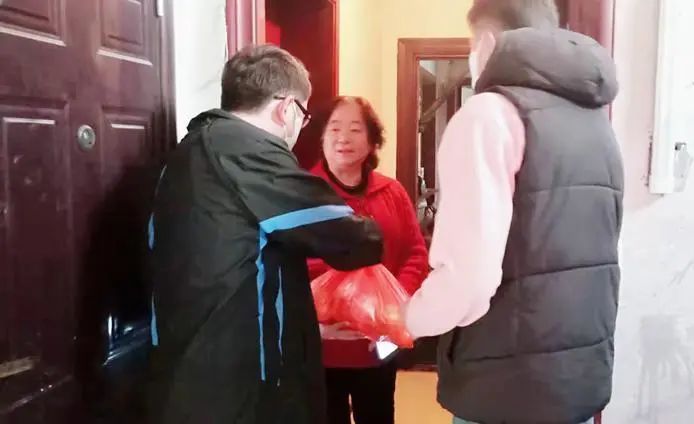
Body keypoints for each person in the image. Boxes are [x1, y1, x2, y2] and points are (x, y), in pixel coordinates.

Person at [403, 1, 624, 423]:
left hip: (505, 386)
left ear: (487, 43)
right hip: (577, 380)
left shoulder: (489, 115)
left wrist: (409, 319)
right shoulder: (595, 123)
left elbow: (468, 279)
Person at [146, 45, 384, 424]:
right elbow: (352, 240)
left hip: (188, 367)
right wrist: (372, 230)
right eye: (303, 116)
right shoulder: (248, 151)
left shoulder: (189, 150)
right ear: (285, 109)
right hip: (241, 381)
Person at [306, 96, 429, 424]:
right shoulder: (302, 194)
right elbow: (291, 262)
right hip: (322, 345)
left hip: (379, 344)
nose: (343, 138)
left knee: (378, 415)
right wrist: (327, 310)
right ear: (322, 137)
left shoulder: (392, 191)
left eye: (355, 129)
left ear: (372, 141)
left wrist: (393, 306)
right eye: (334, 128)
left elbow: (415, 252)